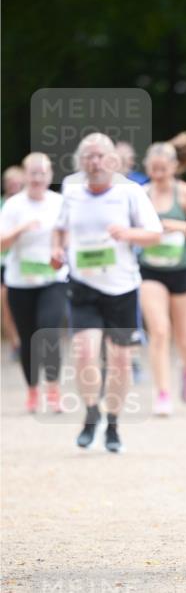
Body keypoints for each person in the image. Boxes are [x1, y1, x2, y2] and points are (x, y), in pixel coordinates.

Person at [52, 133, 162, 452]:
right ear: (80, 161)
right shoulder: (71, 187)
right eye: (89, 156)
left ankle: (113, 424)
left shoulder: (130, 192)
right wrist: (57, 250)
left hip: (121, 288)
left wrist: (128, 233)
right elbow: (60, 228)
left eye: (101, 155)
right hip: (82, 284)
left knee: (121, 362)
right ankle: (91, 414)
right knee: (84, 353)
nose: (95, 162)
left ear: (112, 160)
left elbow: (154, 235)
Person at [0, 154, 68, 411]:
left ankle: (53, 389)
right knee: (27, 338)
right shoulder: (13, 205)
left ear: (50, 176)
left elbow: (70, 235)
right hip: (20, 281)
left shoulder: (59, 203)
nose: (37, 178)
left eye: (42, 173)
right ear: (25, 175)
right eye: (33, 173)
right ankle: (32, 390)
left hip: (53, 278)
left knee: (48, 331)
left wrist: (60, 249)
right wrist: (21, 229)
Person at [139, 142, 186, 415]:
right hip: (150, 271)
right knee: (159, 331)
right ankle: (162, 393)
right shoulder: (141, 195)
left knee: (184, 337)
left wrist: (176, 226)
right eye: (154, 168)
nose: (158, 173)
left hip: (183, 271)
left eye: (163, 168)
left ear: (174, 167)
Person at [1, 165, 26, 358]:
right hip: (3, 262)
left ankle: (28, 340)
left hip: (25, 262)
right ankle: (15, 344)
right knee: (6, 305)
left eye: (17, 182)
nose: (14, 186)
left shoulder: (29, 204)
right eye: (10, 183)